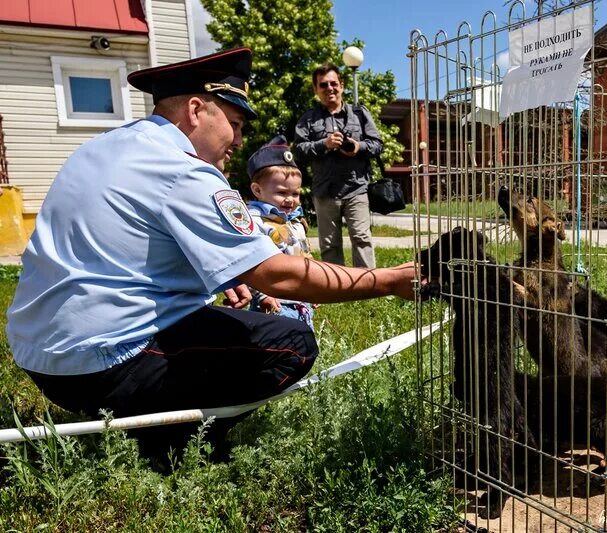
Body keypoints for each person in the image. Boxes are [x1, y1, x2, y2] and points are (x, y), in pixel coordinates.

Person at [5, 48, 416, 468]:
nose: (238, 142)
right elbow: (279, 276)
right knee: (291, 343)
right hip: (102, 364)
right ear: (196, 110)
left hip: (40, 358)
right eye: (234, 124)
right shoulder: (183, 169)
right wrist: (388, 280)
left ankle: (146, 420)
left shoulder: (104, 147)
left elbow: (128, 245)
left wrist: (221, 275)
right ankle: (175, 446)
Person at [294, 63, 382, 269]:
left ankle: (367, 284)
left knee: (361, 238)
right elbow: (298, 150)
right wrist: (323, 144)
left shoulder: (359, 114)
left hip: (356, 187)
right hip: (325, 190)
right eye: (323, 85)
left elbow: (377, 145)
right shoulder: (308, 119)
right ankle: (336, 289)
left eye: (334, 83)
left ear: (342, 86)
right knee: (329, 244)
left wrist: (357, 147)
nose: (329, 88)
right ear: (316, 90)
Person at [245, 135, 315, 329]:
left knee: (303, 346)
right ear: (257, 190)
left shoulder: (295, 220)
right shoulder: (255, 222)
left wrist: (314, 289)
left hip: (301, 301)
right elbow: (247, 262)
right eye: (282, 193)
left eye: (295, 194)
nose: (290, 200)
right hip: (273, 303)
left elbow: (306, 257)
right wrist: (261, 295)